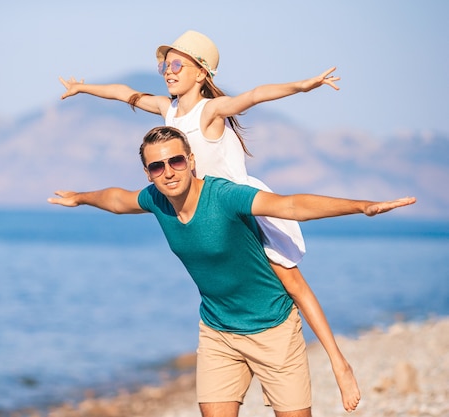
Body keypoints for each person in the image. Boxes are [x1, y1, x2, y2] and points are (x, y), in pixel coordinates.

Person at [59, 30, 361, 411]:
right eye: (164, 64)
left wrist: (303, 86)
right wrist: (83, 88)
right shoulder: (166, 110)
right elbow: (125, 93)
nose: (167, 70)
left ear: (201, 73)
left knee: (291, 281)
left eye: (176, 63)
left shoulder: (210, 111)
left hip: (240, 209)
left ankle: (339, 363)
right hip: (204, 212)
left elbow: (253, 96)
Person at [48, 126, 416, 417]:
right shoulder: (156, 200)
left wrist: (362, 207)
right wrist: (80, 197)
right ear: (149, 173)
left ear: (191, 160)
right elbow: (116, 199)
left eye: (176, 161)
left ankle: (341, 367)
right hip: (218, 332)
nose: (168, 172)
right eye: (156, 167)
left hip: (272, 329)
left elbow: (290, 205)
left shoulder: (224, 196)